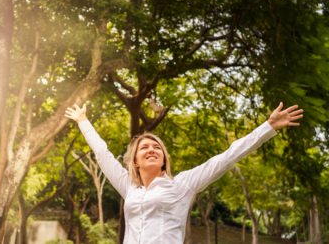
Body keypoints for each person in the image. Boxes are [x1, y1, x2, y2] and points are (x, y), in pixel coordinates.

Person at [64, 102, 303, 244]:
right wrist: (83, 120)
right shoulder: (129, 187)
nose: (152, 150)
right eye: (144, 147)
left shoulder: (181, 184)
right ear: (135, 161)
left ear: (164, 159)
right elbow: (102, 153)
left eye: (157, 147)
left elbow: (227, 157)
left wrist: (267, 127)